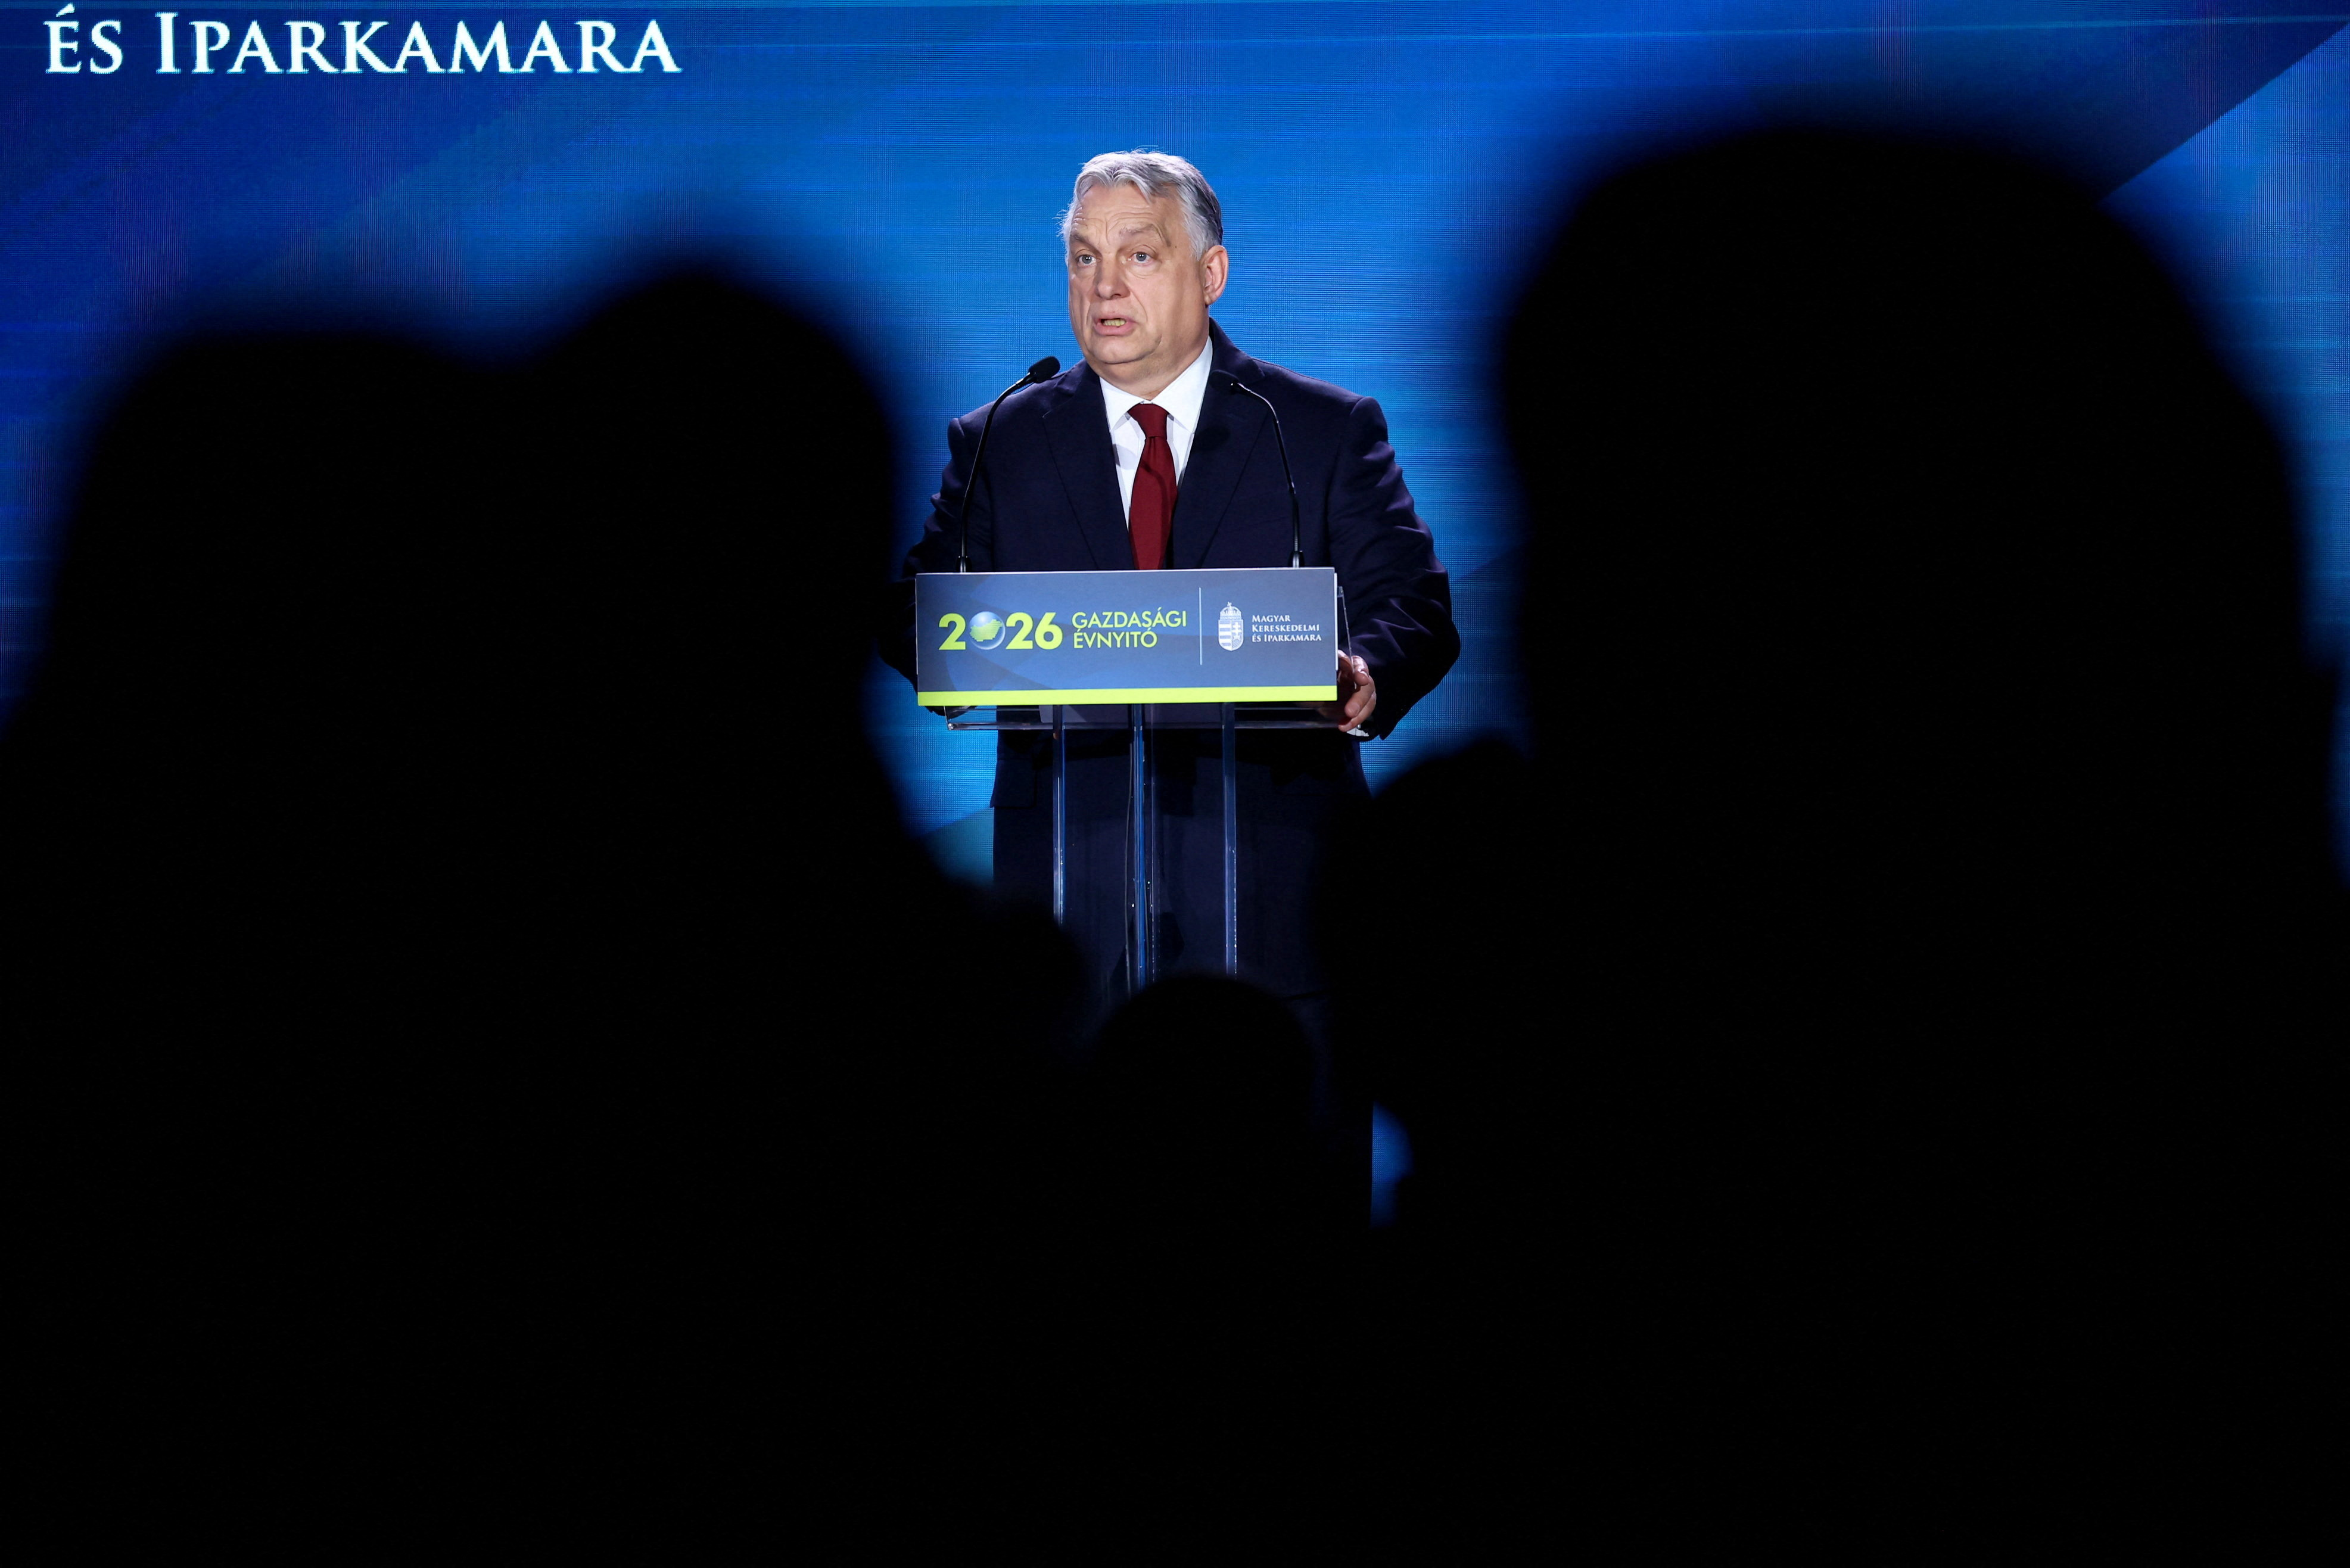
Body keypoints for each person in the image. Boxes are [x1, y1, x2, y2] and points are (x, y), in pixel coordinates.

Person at [882, 151, 1458, 1013]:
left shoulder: (1318, 428)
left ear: (1211, 272)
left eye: (1138, 255)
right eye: (1083, 258)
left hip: (1276, 890)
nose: (1104, 286)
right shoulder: (1000, 436)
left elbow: (1412, 605)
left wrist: (1366, 675)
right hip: (1066, 904)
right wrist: (951, 651)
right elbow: (916, 617)